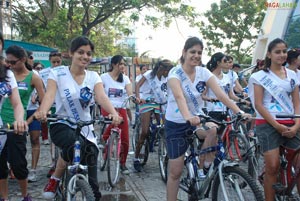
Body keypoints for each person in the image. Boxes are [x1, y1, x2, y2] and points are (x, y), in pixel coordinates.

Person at [34, 36, 122, 201]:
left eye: (88, 53)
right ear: (71, 53)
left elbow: (101, 97)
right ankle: (55, 179)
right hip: (61, 123)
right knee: (75, 143)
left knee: (94, 183)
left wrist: (114, 113)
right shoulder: (57, 73)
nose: (85, 56)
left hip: (85, 127)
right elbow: (49, 95)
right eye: (80, 52)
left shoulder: (94, 76)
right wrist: (43, 111)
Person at [165, 37, 249, 201]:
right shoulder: (175, 73)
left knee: (212, 128)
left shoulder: (203, 72)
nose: (196, 55)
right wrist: (188, 116)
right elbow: (179, 97)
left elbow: (221, 94)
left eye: (199, 53)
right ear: (184, 52)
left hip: (198, 119)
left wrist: (238, 111)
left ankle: (205, 165)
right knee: (175, 171)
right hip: (176, 123)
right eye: (193, 52)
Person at [248, 38, 300, 201]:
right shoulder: (259, 76)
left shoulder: (293, 75)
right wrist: (277, 126)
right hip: (268, 123)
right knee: (272, 167)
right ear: (269, 54)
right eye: (277, 52)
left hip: (291, 123)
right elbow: (259, 104)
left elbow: (297, 103)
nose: (282, 55)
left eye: (284, 51)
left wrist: (297, 125)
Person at [0, 52, 32, 201]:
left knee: (18, 164)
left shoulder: (6, 74)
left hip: (11, 126)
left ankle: (25, 196)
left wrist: (21, 120)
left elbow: (17, 103)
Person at [133, 59, 173, 172]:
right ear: (162, 69)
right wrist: (138, 97)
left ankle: (165, 153)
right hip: (146, 101)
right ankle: (136, 157)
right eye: (167, 70)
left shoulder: (167, 78)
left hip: (159, 103)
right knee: (145, 131)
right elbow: (138, 85)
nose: (168, 73)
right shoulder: (149, 75)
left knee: (165, 129)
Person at [100, 55, 134, 175]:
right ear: (114, 64)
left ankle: (123, 163)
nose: (123, 66)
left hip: (122, 108)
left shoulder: (125, 79)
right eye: (121, 64)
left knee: (125, 137)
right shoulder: (103, 77)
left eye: (124, 64)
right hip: (107, 108)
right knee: (114, 121)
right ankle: (103, 139)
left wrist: (134, 98)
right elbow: (99, 93)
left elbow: (130, 93)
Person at [39, 51, 62, 177]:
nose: (56, 64)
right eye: (54, 62)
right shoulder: (44, 74)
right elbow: (42, 91)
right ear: (49, 61)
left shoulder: (66, 72)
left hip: (63, 108)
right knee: (53, 137)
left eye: (58, 61)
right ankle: (53, 162)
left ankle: (63, 161)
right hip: (51, 108)